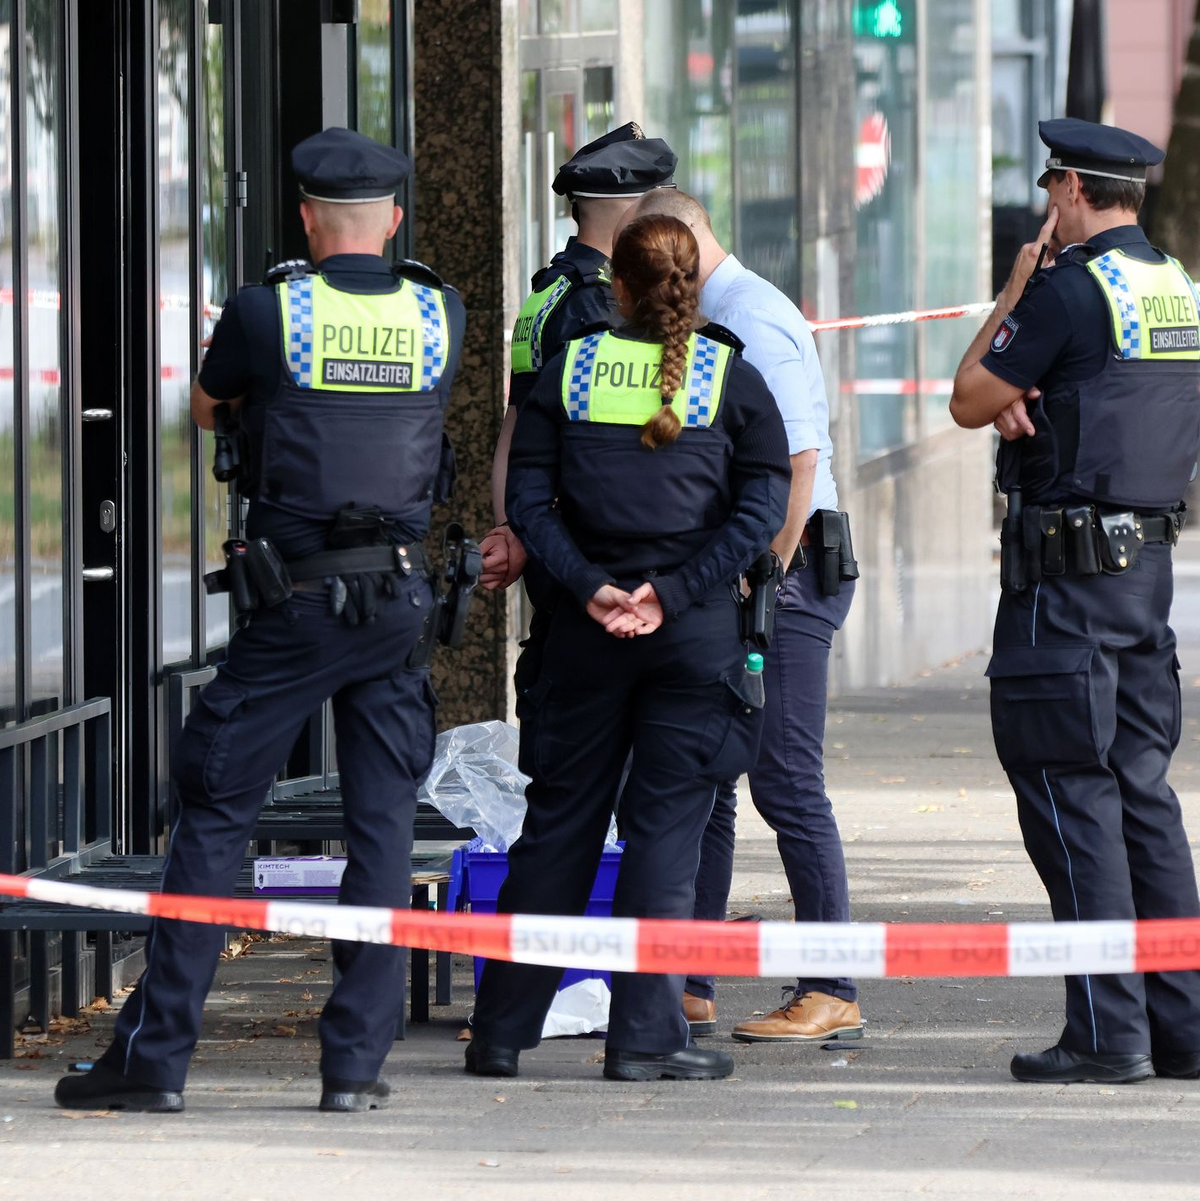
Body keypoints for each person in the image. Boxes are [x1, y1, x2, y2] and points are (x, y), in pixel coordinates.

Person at [54, 127, 466, 1113]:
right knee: (382, 828)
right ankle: (355, 1068)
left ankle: (154, 1062)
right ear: (393, 221)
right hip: (397, 597)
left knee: (216, 806)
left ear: (308, 218)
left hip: (298, 599)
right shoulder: (438, 309)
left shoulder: (266, 309)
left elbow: (208, 407)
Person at [464, 213, 791, 1082]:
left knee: (558, 830)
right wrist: (672, 593)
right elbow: (761, 509)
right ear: (692, 285)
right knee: (665, 838)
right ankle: (645, 1038)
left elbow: (528, 501)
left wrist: (589, 585)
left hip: (584, 634)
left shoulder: (570, 370)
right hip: (693, 639)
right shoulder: (732, 376)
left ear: (616, 286)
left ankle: (501, 1033)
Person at [951, 117, 1200, 1085]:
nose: (1048, 199)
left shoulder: (1066, 289)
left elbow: (969, 396)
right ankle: (1181, 1025)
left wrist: (1016, 290)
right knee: (1143, 795)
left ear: (1073, 190)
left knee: (1069, 792)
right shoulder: (1176, 286)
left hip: (1064, 581)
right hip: (1146, 575)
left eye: (1053, 183)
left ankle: (1106, 1032)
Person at [625, 189, 862, 1044]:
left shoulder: (748, 317)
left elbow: (798, 464)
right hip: (748, 577)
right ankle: (691, 982)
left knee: (787, 780)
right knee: (712, 775)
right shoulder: (712, 313)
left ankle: (832, 987)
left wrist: (762, 584)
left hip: (784, 576)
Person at [478, 123, 677, 733]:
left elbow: (514, 428)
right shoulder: (600, 305)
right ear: (635, 215)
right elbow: (607, 454)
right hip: (597, 563)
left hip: (554, 549)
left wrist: (511, 527)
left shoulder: (549, 292)